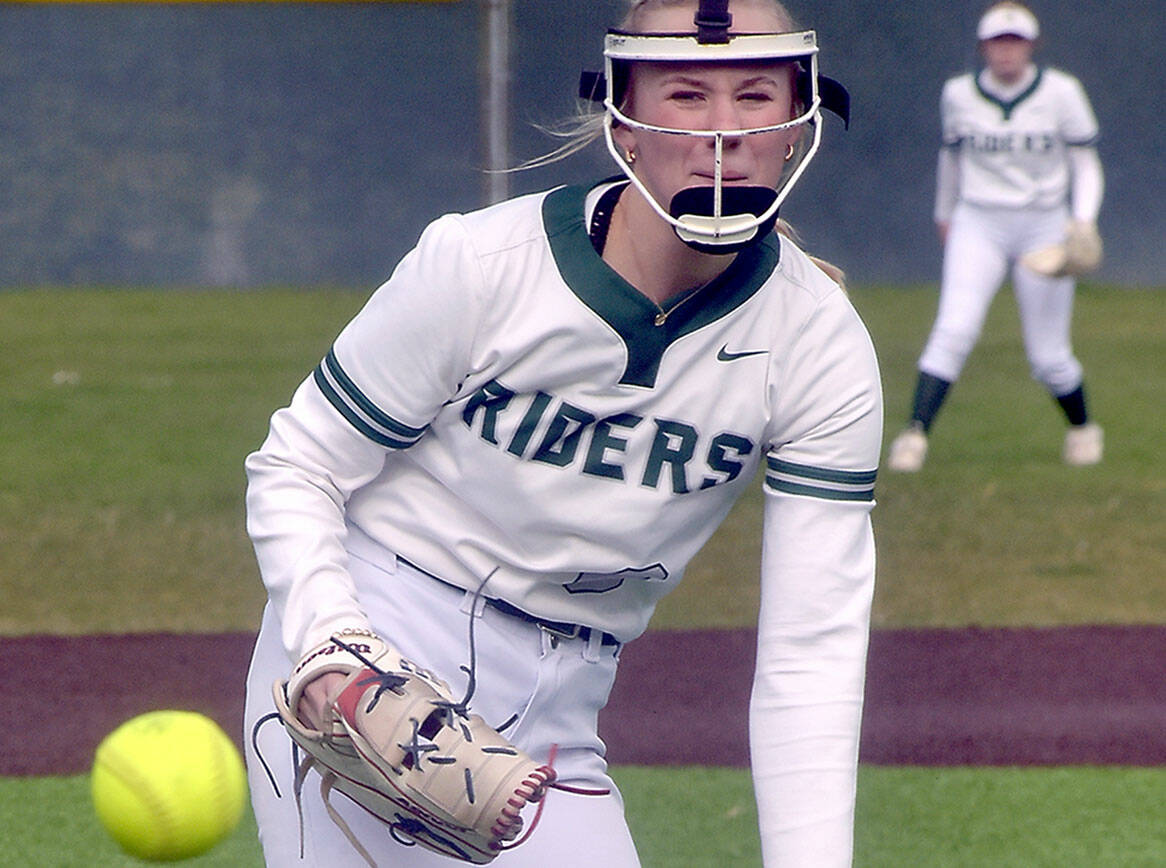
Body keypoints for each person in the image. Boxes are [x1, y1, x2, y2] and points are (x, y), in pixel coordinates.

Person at [243, 1, 881, 865]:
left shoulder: (818, 341)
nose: (723, 132)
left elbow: (812, 655)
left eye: (756, 95)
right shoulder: (483, 265)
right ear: (623, 124)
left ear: (800, 123)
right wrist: (330, 642)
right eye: (686, 94)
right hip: (377, 666)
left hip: (561, 720)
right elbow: (299, 464)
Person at [887, 1, 1106, 473]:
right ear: (983, 47)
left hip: (1044, 223)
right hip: (980, 220)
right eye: (997, 42)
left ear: (1032, 46)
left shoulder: (1062, 92)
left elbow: (1085, 164)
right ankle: (914, 435)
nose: (1007, 51)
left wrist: (1083, 220)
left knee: (1048, 356)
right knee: (954, 329)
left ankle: (1084, 428)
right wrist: (944, 213)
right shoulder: (959, 94)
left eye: (1016, 42)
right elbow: (951, 158)